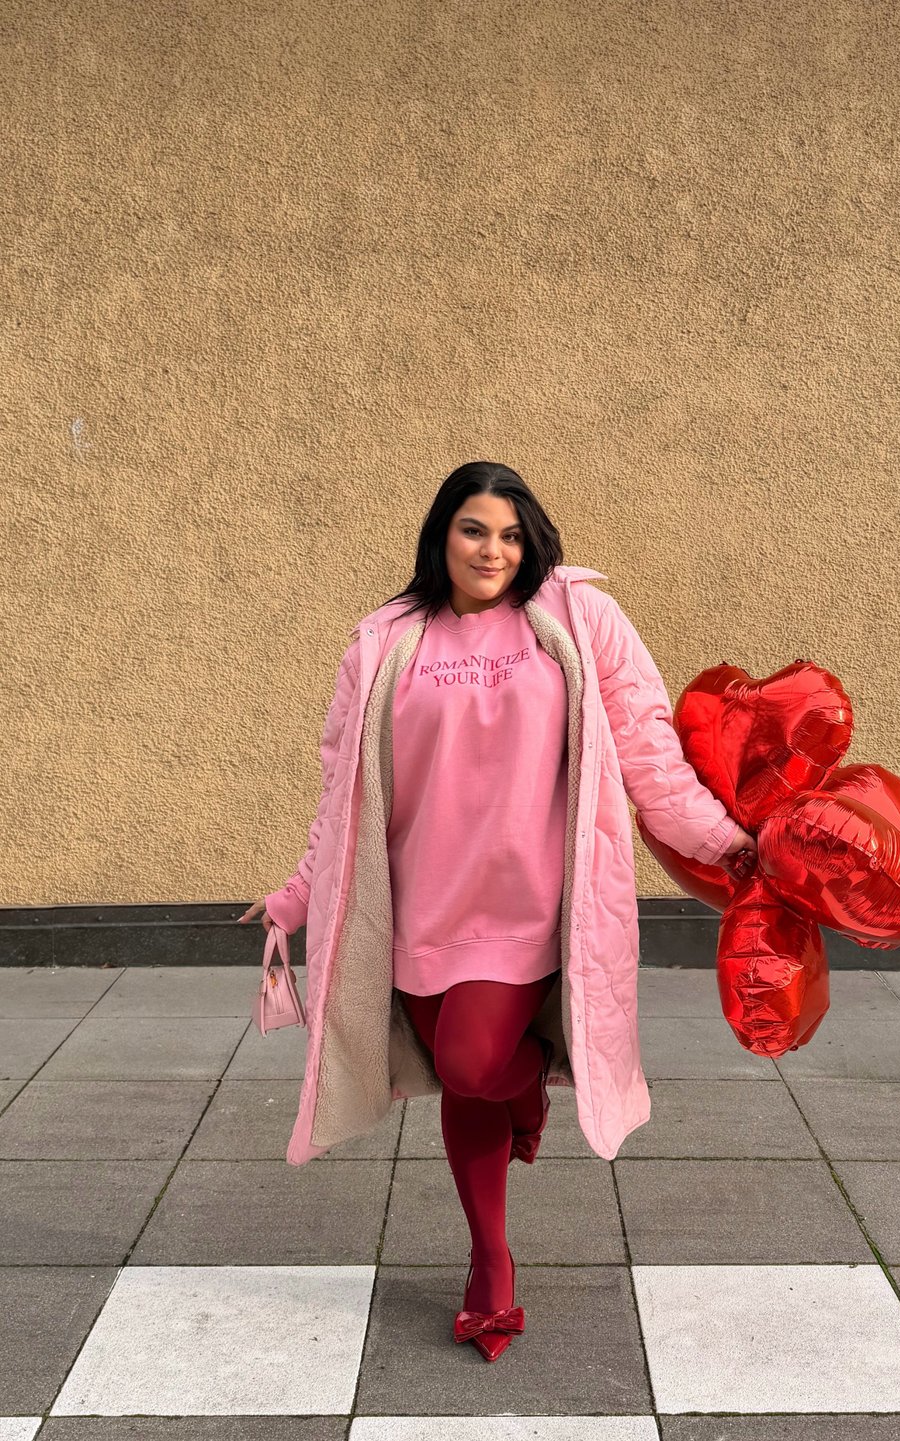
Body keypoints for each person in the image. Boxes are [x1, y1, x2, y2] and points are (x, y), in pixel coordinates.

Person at [240, 460, 756, 1363]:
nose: (494, 550)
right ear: (442, 533)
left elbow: (648, 749)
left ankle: (525, 1087)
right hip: (418, 907)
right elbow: (342, 790)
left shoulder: (577, 617)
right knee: (462, 1077)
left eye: (512, 535)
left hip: (527, 905)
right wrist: (298, 892)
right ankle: (490, 1258)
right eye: (475, 529)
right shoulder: (385, 640)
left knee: (473, 1061)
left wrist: (724, 843)